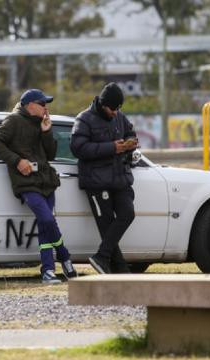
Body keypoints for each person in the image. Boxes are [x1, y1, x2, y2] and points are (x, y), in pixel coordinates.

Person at [0, 89, 77, 284]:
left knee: (45, 226)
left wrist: (46, 132)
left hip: (47, 181)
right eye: (42, 103)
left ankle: (48, 272)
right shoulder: (13, 121)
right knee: (47, 219)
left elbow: (51, 155)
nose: (46, 107)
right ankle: (65, 256)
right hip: (27, 182)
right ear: (30, 105)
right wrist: (18, 161)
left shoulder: (41, 122)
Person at [70, 82, 137, 274]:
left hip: (120, 178)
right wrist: (112, 147)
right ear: (102, 103)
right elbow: (78, 148)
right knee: (106, 225)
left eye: (118, 108)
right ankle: (120, 269)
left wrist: (130, 143)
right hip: (97, 182)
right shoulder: (84, 119)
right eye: (112, 108)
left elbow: (130, 131)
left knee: (127, 214)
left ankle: (102, 257)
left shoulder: (120, 117)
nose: (115, 112)